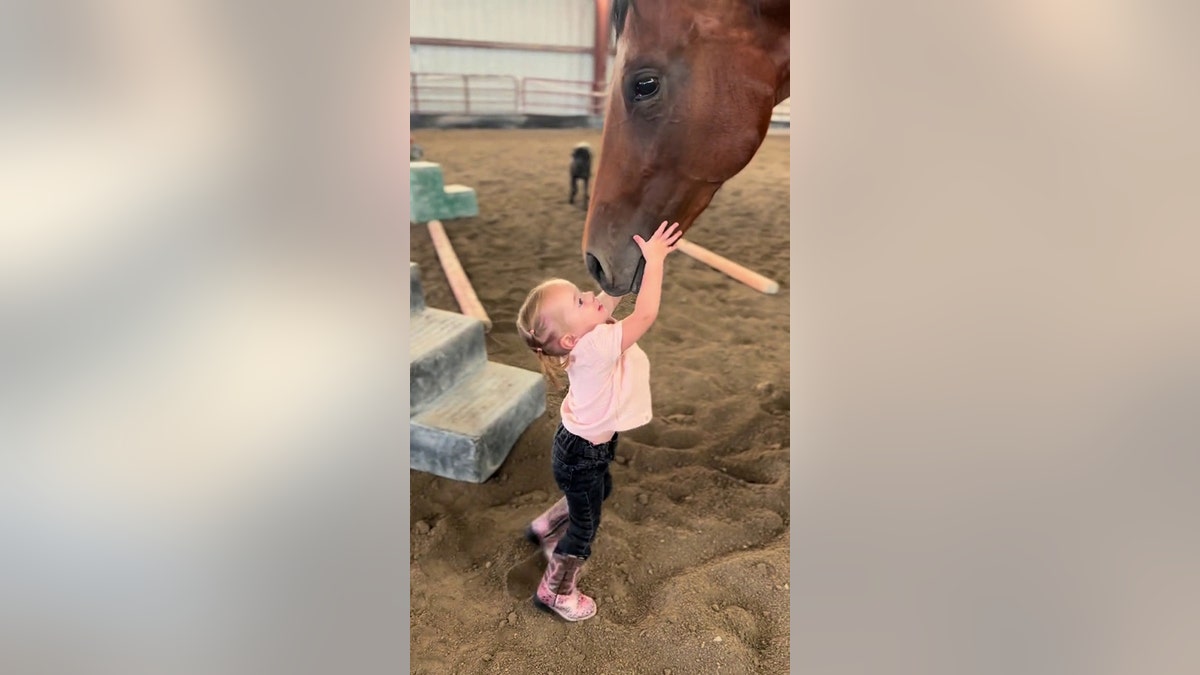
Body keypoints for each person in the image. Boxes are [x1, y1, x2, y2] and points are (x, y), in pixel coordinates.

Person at [515, 220, 682, 622]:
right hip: (582, 452)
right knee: (584, 530)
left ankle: (544, 526)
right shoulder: (596, 347)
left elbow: (607, 303)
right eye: (578, 301)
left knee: (598, 489)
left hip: (581, 445)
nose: (589, 295)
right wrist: (655, 262)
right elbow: (645, 314)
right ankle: (554, 591)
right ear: (572, 337)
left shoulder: (579, 340)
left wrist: (629, 264)